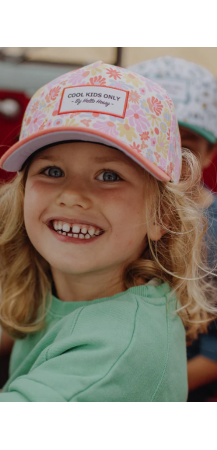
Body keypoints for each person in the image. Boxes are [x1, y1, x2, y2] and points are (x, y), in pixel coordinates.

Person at [0, 61, 217, 402]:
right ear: (23, 196)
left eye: (109, 176)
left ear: (161, 217)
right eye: (52, 170)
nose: (72, 196)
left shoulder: (114, 357)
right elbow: (32, 337)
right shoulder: (82, 285)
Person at [128, 56, 217, 401]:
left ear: (210, 153)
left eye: (187, 146)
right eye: (155, 139)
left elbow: (213, 355)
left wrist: (143, 393)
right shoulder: (109, 218)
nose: (168, 155)